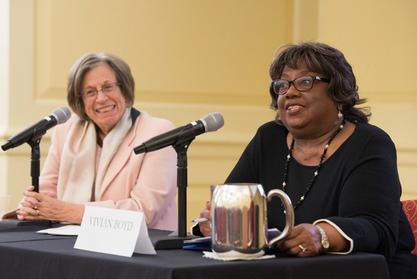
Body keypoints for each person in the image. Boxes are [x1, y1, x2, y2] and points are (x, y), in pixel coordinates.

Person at [196, 42, 417, 278]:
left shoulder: (368, 143)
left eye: (304, 82)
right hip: (280, 270)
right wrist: (215, 223)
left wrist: (321, 235)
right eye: (282, 85)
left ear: (337, 92)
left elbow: (376, 228)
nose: (289, 92)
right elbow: (233, 198)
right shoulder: (269, 137)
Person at [6, 52, 178, 230]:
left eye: (108, 87)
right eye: (90, 92)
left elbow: (143, 211)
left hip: (142, 250)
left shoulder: (158, 132)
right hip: (70, 243)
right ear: (79, 100)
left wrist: (64, 212)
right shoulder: (65, 131)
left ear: (124, 89)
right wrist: (32, 206)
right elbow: (46, 196)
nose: (101, 98)